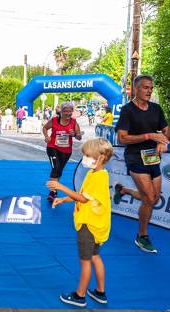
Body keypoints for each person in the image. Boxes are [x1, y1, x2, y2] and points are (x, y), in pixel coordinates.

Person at [47, 138, 113, 308]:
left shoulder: (99, 177)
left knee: (85, 261)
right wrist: (64, 200)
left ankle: (79, 296)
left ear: (101, 157)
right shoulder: (95, 174)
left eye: (88, 155)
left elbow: (83, 199)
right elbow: (84, 195)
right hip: (95, 225)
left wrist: (61, 187)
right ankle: (100, 292)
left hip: (89, 226)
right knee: (95, 256)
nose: (85, 158)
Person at [113, 75, 169, 253]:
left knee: (150, 198)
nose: (149, 90)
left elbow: (166, 131)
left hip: (152, 156)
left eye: (151, 87)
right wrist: (149, 136)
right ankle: (142, 236)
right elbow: (121, 138)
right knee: (151, 198)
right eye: (145, 87)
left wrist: (163, 141)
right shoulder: (128, 110)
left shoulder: (156, 109)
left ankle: (124, 190)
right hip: (135, 157)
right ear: (136, 89)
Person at [43, 102, 82, 202]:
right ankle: (53, 192)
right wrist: (46, 137)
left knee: (59, 170)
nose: (68, 113)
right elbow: (45, 128)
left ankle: (54, 189)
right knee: (55, 167)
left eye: (70, 111)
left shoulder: (74, 122)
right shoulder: (55, 120)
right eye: (65, 111)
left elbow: (79, 137)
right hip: (53, 147)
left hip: (66, 150)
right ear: (61, 111)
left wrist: (73, 134)